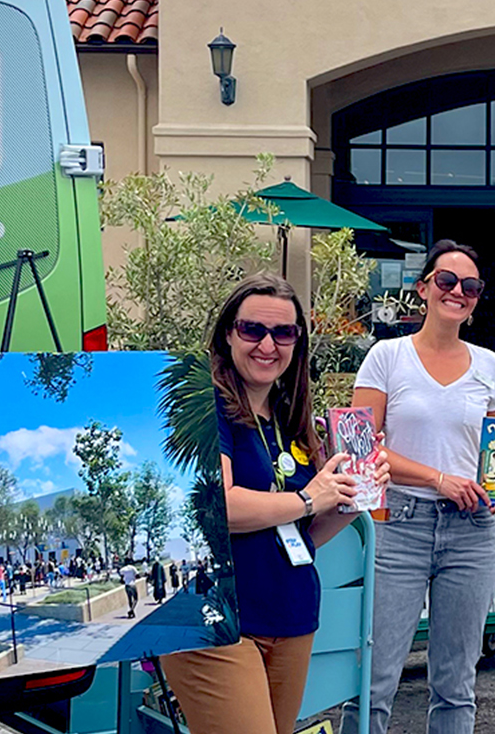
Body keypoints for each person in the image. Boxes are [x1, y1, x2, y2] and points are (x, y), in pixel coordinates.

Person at [160, 272, 386, 734]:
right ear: (228, 333)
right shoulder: (204, 406)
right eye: (252, 330)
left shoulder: (290, 414)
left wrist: (350, 496)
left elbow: (305, 535)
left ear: (297, 342)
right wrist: (307, 498)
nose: (268, 344)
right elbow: (213, 511)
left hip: (291, 614)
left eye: (283, 332)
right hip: (215, 619)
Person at [347, 239, 495, 734]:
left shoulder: (488, 364)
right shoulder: (386, 357)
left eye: (470, 286)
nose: (457, 292)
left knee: (457, 682)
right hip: (399, 524)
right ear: (423, 288)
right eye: (446, 281)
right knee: (375, 677)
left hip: (472, 528)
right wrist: (437, 479)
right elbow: (360, 448)